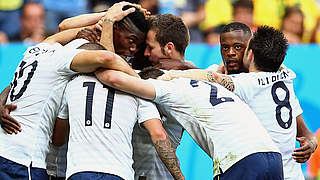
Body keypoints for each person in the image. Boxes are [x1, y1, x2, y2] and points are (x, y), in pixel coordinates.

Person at [0, 2, 146, 179]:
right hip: (24, 158)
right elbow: (106, 58)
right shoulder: (65, 60)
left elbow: (63, 26)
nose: (133, 50)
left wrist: (108, 14)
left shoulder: (42, 47)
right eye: (131, 41)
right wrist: (142, 83)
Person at [161, 25, 318, 180]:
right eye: (224, 47)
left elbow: (303, 130)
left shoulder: (243, 82)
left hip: (265, 170)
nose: (230, 53)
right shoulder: (283, 74)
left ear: (251, 51)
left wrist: (310, 140)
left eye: (238, 47)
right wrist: (311, 139)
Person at [93, 64, 283, 179]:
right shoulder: (204, 82)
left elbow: (114, 79)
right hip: (273, 156)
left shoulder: (166, 88)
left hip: (239, 160)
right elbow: (213, 72)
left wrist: (95, 66)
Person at [52, 43, 183, 180]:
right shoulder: (137, 89)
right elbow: (159, 134)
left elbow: (58, 138)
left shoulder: (71, 85)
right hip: (119, 172)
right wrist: (179, 177)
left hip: (80, 170)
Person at [128, 14, 194, 180]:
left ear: (169, 48)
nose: (145, 53)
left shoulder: (148, 81)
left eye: (150, 47)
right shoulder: (197, 81)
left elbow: (108, 65)